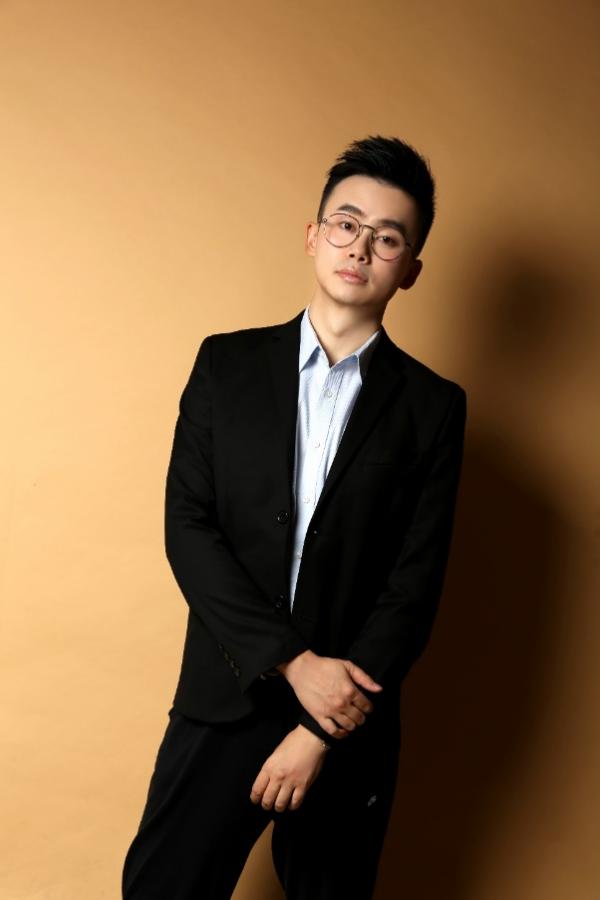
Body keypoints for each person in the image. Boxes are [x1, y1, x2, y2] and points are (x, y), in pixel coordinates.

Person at [121, 135, 467, 899]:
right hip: (226, 695)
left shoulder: (433, 409)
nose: (361, 248)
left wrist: (320, 728)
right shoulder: (226, 366)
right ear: (313, 236)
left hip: (350, 720)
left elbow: (413, 589)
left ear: (410, 269)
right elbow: (188, 528)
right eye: (346, 224)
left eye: (388, 238)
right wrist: (290, 664)